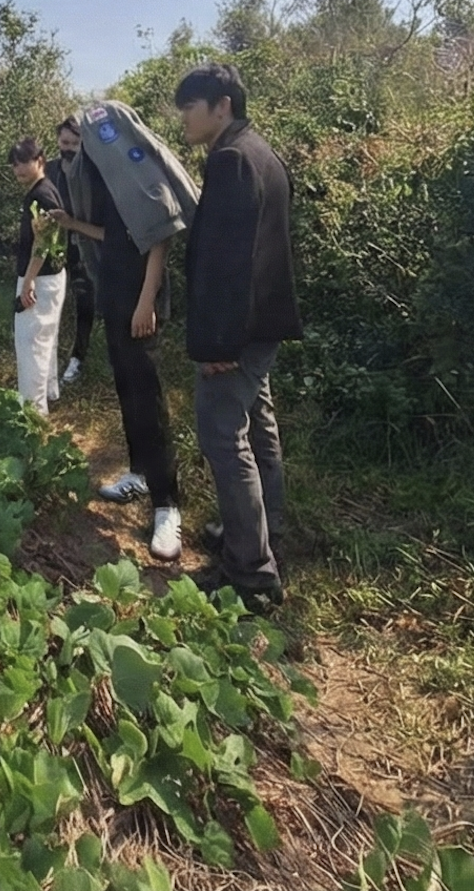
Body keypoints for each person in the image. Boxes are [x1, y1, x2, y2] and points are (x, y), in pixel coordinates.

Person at [174, 64, 303, 609]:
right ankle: (261, 533)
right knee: (260, 428)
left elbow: (229, 267)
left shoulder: (230, 161)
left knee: (225, 438)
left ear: (221, 105)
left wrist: (216, 346)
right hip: (265, 325)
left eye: (189, 107)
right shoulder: (263, 154)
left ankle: (250, 573)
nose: (182, 118)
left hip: (238, 333)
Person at [49, 101, 199, 562]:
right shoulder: (99, 175)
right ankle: (139, 472)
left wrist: (146, 301)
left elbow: (158, 234)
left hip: (140, 301)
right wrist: (71, 224)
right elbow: (111, 235)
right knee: (126, 388)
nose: (80, 147)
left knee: (149, 397)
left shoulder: (136, 172)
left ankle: (166, 504)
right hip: (113, 294)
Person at [9, 137, 69, 414]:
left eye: (23, 162)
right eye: (14, 164)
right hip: (49, 277)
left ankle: (33, 413)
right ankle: (48, 393)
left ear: (40, 161)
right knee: (45, 338)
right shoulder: (42, 191)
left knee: (30, 343)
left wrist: (29, 280)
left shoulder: (42, 194)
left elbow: (43, 242)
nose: (18, 169)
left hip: (40, 278)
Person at [43, 118, 97, 387]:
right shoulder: (50, 170)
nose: (69, 148)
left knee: (86, 303)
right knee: (52, 304)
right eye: (65, 142)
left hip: (86, 244)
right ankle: (48, 362)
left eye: (76, 143)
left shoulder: (91, 171)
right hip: (55, 247)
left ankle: (78, 357)